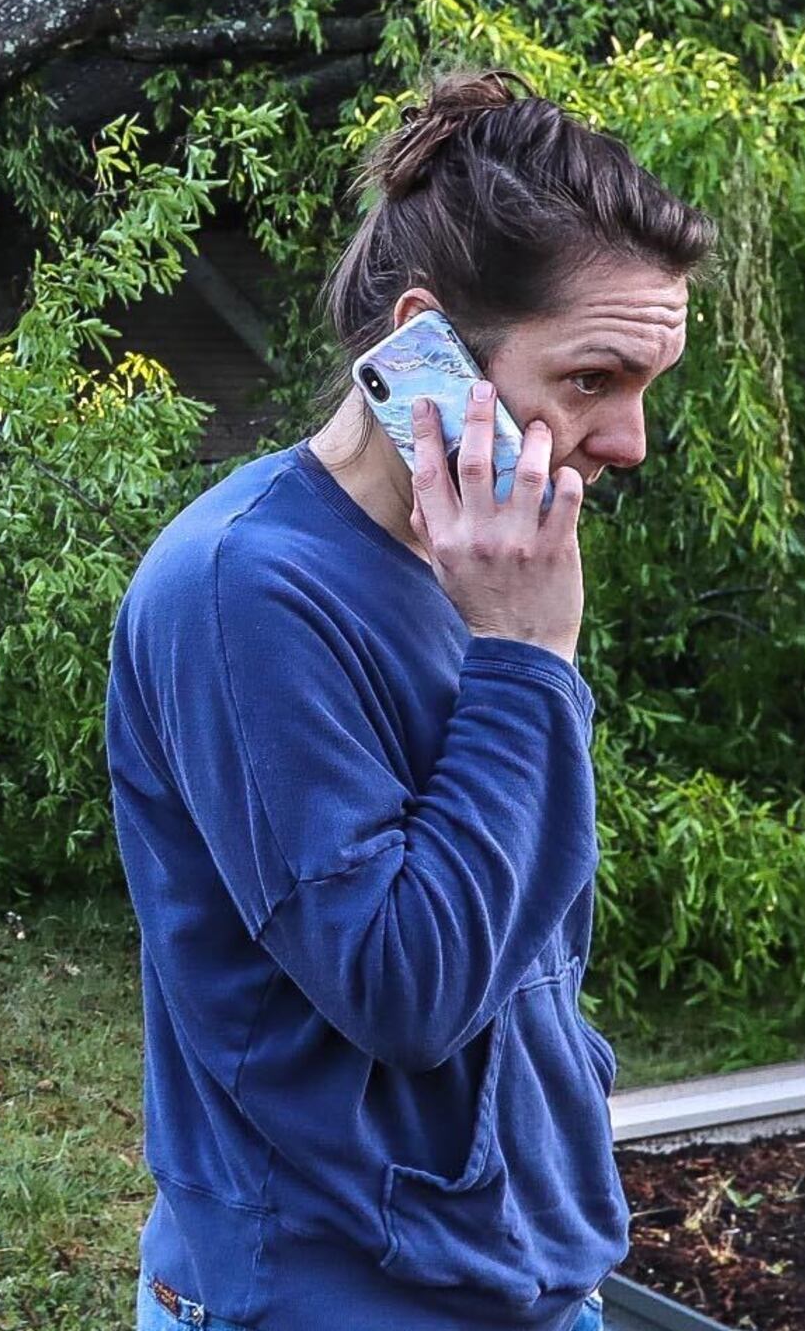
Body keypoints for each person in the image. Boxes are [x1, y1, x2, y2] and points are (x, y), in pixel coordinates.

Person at [108, 69, 713, 1331]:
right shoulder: (243, 590)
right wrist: (530, 663)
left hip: (524, 1270)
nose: (631, 440)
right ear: (424, 343)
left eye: (646, 386)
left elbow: (532, 932)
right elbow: (408, 990)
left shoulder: (479, 554)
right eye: (595, 378)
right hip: (335, 1298)